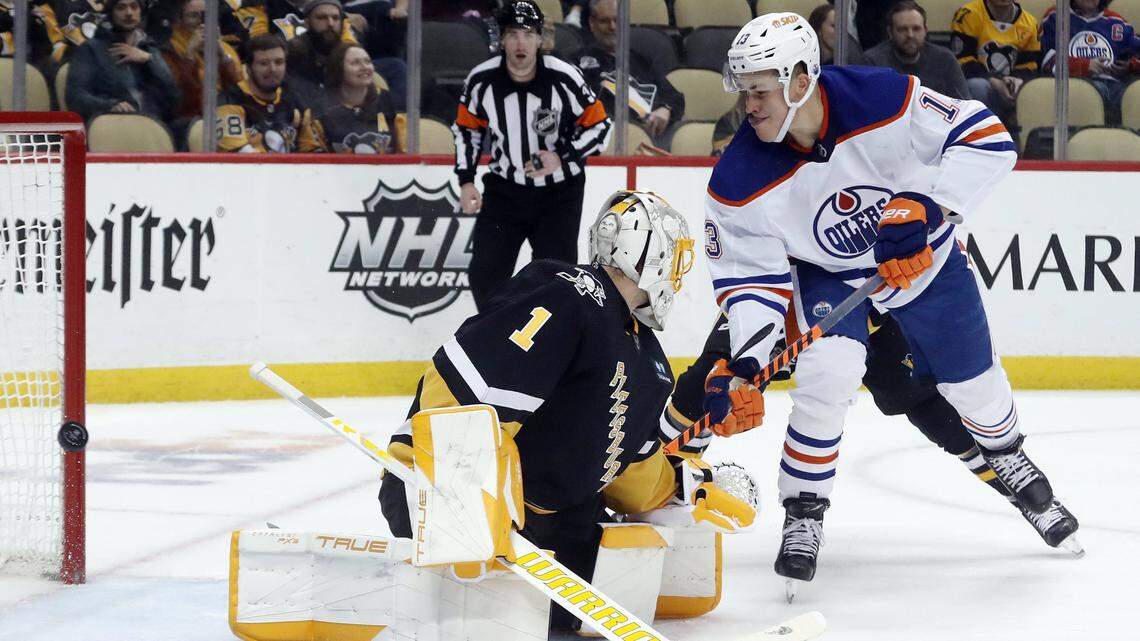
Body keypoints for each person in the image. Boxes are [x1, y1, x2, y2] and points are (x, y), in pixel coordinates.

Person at [706, 12, 1072, 597]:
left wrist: (932, 207)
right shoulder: (737, 179)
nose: (749, 105)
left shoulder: (882, 97)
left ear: (801, 80)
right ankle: (804, 511)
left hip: (922, 261)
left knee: (976, 386)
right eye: (744, 90)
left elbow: (987, 138)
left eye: (760, 90)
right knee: (830, 373)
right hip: (829, 277)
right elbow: (751, 283)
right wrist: (748, 364)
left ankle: (1006, 453)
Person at [378, 190, 753, 631]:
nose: (674, 275)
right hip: (448, 499)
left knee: (608, 581)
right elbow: (472, 383)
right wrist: (435, 479)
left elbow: (628, 472)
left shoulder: (649, 362)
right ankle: (475, 557)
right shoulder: (567, 293)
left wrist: (689, 483)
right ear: (646, 254)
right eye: (672, 258)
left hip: (545, 535)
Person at [662, 311, 1083, 579]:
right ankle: (649, 489)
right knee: (705, 392)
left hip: (867, 324)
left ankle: (1025, 499)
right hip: (771, 309)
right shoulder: (770, 184)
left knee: (936, 413)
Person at [454, 0, 612, 311]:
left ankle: (546, 349)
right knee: (485, 274)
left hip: (559, 195)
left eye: (528, 34)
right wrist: (466, 180)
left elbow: (601, 128)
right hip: (505, 191)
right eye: (512, 34)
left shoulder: (565, 77)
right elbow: (466, 130)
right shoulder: (481, 80)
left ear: (540, 39)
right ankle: (498, 342)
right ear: (501, 39)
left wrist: (562, 156)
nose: (520, 43)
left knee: (558, 280)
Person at [574, 0, 685, 139]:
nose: (612, 27)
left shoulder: (640, 60)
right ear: (592, 23)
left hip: (655, 138)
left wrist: (666, 110)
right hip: (612, 140)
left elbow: (675, 97)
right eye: (604, 21)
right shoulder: (577, 61)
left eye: (616, 20)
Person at [66, 0, 180, 122]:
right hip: (114, 124)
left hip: (155, 124)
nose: (129, 13)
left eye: (134, 7)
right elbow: (75, 96)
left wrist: (149, 59)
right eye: (121, 8)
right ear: (111, 14)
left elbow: (173, 96)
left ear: (141, 12)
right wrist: (110, 105)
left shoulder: (149, 48)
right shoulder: (91, 49)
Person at [1041, 0, 1140, 124]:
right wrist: (1085, 65)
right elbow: (1046, 60)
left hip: (1115, 86)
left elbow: (1137, 53)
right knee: (1096, 91)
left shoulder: (1117, 22)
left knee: (1133, 97)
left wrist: (1131, 65)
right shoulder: (1056, 17)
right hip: (1074, 85)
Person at [217, 33, 317, 152]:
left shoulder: (295, 101)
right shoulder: (229, 101)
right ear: (248, 69)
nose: (272, 69)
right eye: (264, 63)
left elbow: (314, 152)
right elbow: (239, 157)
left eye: (279, 62)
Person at [161, 0, 243, 137]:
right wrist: (189, 55)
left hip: (227, 116)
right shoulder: (169, 50)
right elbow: (179, 97)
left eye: (206, 15)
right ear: (179, 20)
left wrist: (222, 55)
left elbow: (238, 90)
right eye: (193, 15)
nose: (200, 21)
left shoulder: (226, 48)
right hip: (190, 119)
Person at [951, 0, 1041, 123]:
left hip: (1007, 88)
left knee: (1029, 91)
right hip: (978, 85)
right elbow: (962, 62)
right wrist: (993, 81)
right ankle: (981, 134)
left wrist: (1016, 81)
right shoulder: (969, 15)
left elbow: (1029, 67)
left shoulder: (1030, 24)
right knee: (978, 86)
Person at [865, 0, 971, 99]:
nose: (910, 35)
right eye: (902, 29)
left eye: (916, 29)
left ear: (925, 30)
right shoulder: (872, 62)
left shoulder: (945, 60)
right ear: (890, 32)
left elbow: (964, 106)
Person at [307, 43, 402, 153]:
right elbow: (313, 159)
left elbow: (405, 152)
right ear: (338, 69)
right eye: (355, 63)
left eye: (367, 61)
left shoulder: (389, 102)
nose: (365, 67)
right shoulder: (320, 109)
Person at [285, 0, 361, 103]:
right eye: (322, 18)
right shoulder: (294, 51)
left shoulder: (346, 52)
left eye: (335, 18)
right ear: (307, 23)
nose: (330, 24)